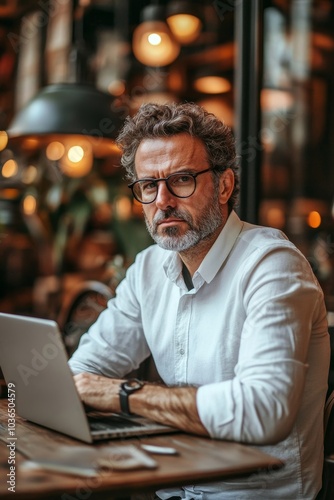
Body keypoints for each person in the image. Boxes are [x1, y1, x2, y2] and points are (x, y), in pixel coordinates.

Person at [69, 102, 330, 499]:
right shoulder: (148, 269)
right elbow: (81, 374)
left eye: (183, 179)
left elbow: (264, 412)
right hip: (173, 488)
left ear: (224, 186)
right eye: (149, 186)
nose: (163, 201)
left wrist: (122, 394)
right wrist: (92, 388)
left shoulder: (273, 265)